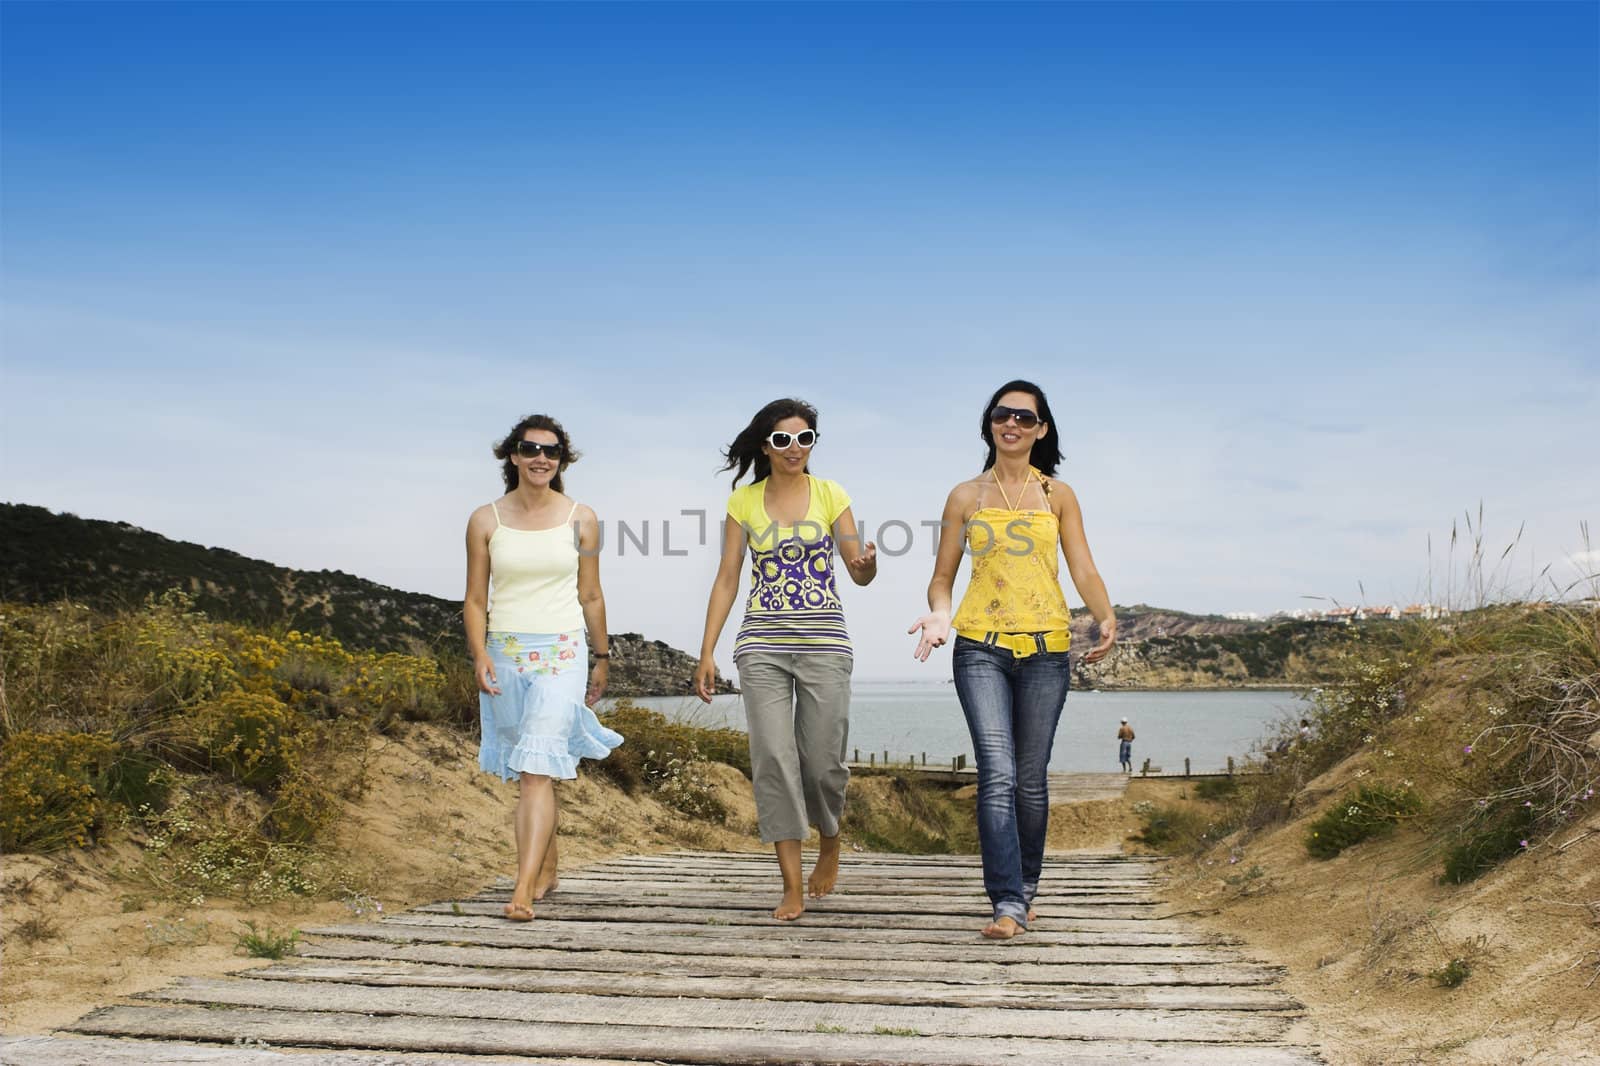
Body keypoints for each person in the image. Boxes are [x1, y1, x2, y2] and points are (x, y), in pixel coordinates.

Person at [909, 379, 1116, 940]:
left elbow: (1083, 567)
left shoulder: (1058, 495)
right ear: (990, 423)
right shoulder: (965, 496)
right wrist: (938, 614)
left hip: (1048, 649)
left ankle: (1024, 889)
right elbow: (942, 577)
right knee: (997, 774)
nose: (1013, 424)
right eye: (1003, 415)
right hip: (980, 648)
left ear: (1041, 429)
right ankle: (1005, 901)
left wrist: (1105, 615)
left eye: (1026, 418)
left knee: (1030, 779)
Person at [694, 398, 877, 921]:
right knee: (773, 757)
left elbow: (857, 570)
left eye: (804, 439)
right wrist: (707, 650)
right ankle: (790, 884)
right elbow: (728, 576)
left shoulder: (831, 494)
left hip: (824, 643)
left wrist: (866, 566)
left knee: (821, 762)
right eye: (782, 439)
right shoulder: (743, 503)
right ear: (765, 445)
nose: (794, 448)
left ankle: (832, 838)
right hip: (762, 645)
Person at [465, 414, 622, 922]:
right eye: (531, 449)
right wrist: (479, 654)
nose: (541, 459)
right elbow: (474, 599)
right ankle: (549, 867)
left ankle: (524, 887)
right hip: (506, 654)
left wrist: (601, 657)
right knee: (531, 769)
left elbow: (591, 593)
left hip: (563, 653)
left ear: (561, 460)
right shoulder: (484, 520)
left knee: (536, 768)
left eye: (551, 452)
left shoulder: (584, 518)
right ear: (512, 455)